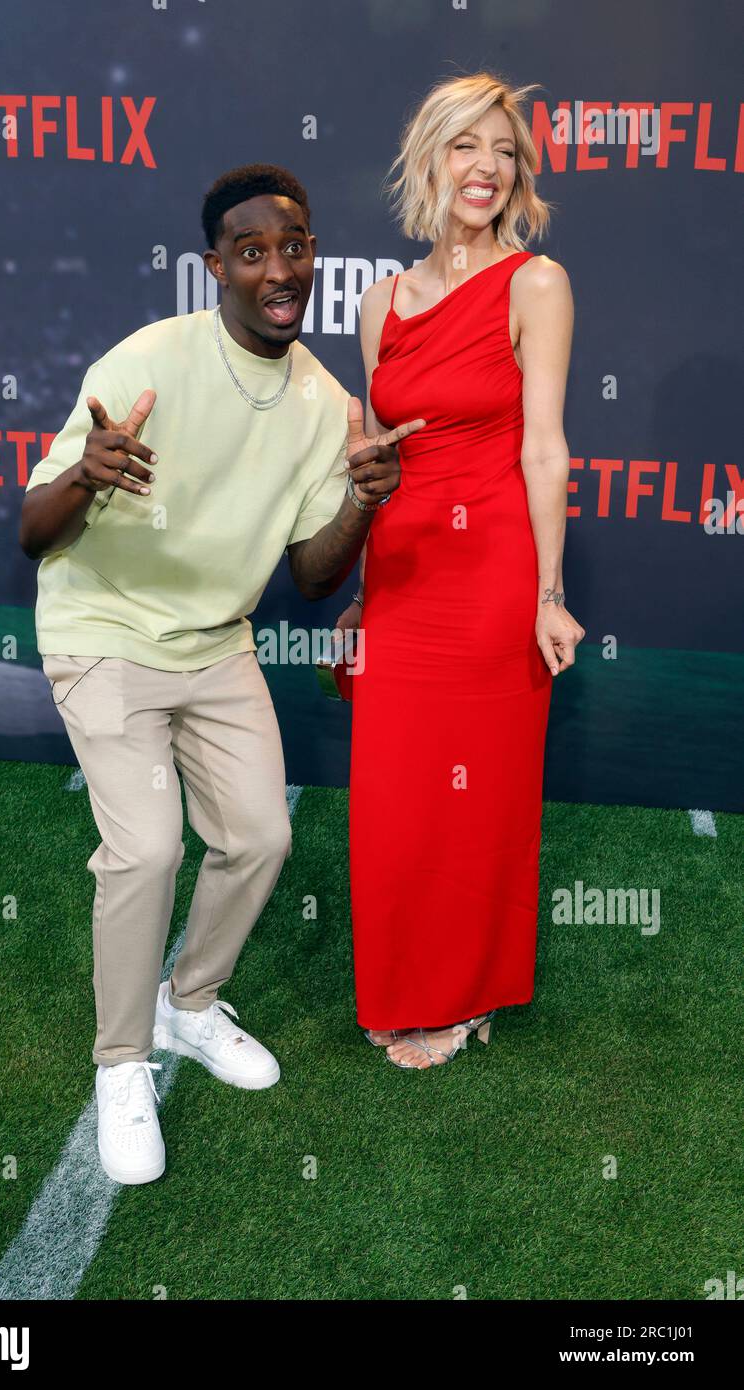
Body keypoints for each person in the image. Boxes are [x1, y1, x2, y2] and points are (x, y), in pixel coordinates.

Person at [19, 163, 423, 1182]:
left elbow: (310, 576)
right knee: (148, 850)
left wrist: (362, 500)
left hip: (215, 642)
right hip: (104, 631)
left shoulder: (326, 403)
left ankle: (188, 1002)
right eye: (251, 252)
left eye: (293, 246)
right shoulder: (148, 357)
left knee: (259, 835)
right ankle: (120, 1062)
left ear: (312, 256)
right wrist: (84, 473)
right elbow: (32, 532)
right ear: (214, 269)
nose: (277, 269)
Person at [338, 73, 585, 1069]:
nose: (484, 168)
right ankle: (405, 979)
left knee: (475, 793)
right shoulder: (377, 300)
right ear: (428, 159)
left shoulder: (535, 284)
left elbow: (544, 448)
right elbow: (375, 458)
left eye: (502, 151)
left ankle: (465, 992)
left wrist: (547, 593)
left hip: (489, 568)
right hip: (399, 573)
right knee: (397, 796)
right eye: (463, 146)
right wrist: (358, 590)